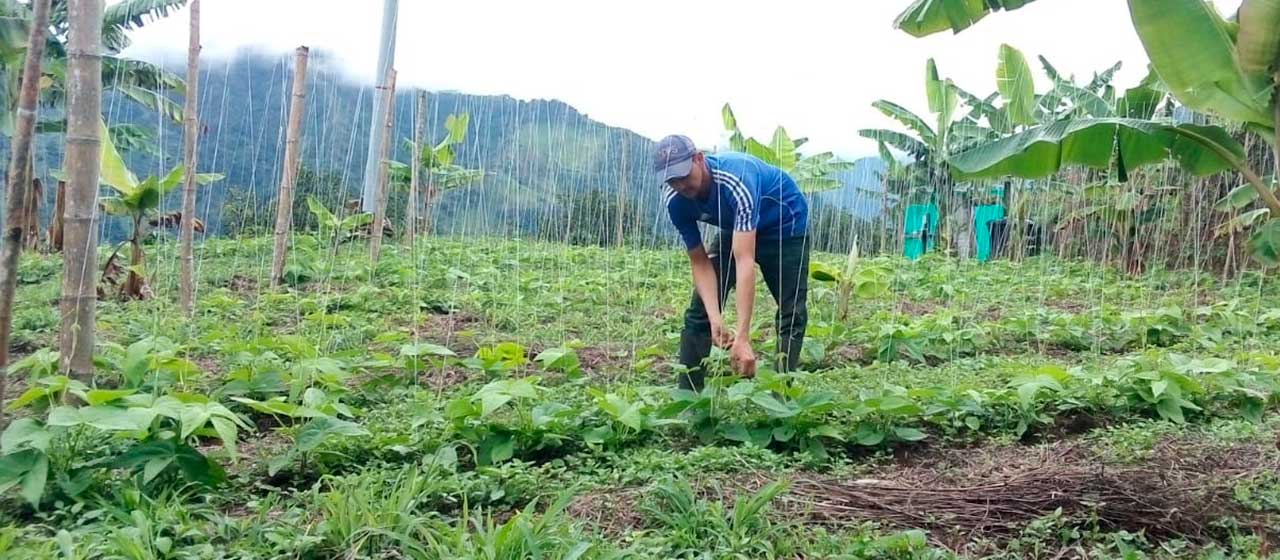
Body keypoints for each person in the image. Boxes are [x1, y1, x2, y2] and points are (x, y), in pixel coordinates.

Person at [653, 134, 810, 391]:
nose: (680, 185)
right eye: (672, 179)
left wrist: (742, 337)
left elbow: (744, 261)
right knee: (699, 311)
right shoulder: (675, 202)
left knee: (791, 311)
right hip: (737, 226)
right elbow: (700, 263)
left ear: (699, 159)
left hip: (785, 226)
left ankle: (783, 392)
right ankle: (688, 397)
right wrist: (716, 317)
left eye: (683, 175)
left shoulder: (736, 179)